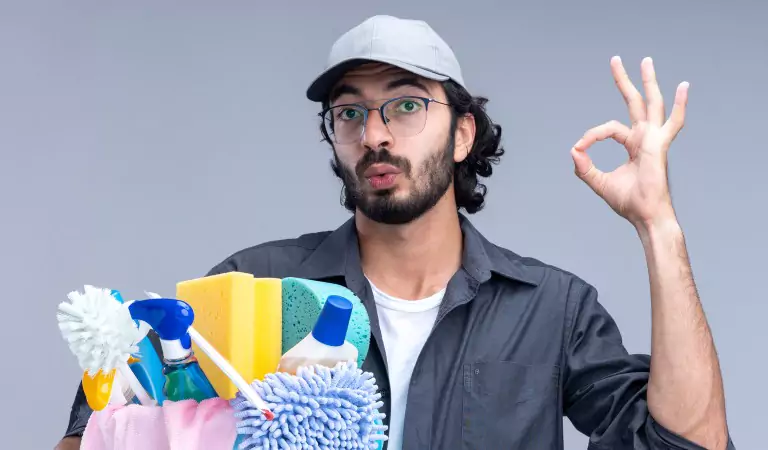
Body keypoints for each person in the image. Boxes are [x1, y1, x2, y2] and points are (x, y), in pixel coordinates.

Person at [56, 14, 734, 450]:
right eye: (349, 113)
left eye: (405, 104)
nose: (373, 134)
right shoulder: (253, 285)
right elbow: (95, 433)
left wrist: (659, 228)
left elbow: (688, 443)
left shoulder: (552, 310)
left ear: (464, 132)